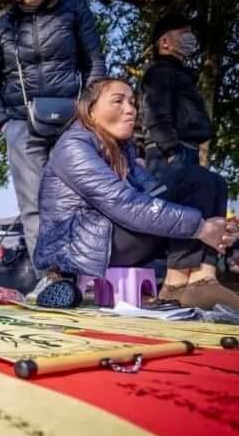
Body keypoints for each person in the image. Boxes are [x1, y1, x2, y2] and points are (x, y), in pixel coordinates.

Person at [34, 78, 238, 310]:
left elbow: (154, 194)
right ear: (90, 111)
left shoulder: (123, 149)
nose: (130, 109)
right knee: (182, 203)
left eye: (132, 103)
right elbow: (124, 204)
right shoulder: (73, 147)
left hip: (111, 232)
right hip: (83, 247)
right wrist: (201, 228)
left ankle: (198, 279)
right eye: (118, 101)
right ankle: (180, 287)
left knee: (205, 181)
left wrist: (218, 230)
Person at [0, 0, 106, 275]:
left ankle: (85, 276)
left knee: (80, 198)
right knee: (34, 205)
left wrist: (89, 112)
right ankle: (50, 279)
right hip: (21, 122)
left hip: (73, 121)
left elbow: (94, 64)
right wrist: (3, 123)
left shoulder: (75, 10)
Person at [141, 15, 212, 192]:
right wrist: (171, 151)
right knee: (166, 209)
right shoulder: (160, 72)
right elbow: (156, 115)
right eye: (184, 33)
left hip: (185, 150)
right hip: (169, 153)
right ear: (165, 42)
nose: (190, 38)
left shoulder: (179, 74)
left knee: (186, 209)